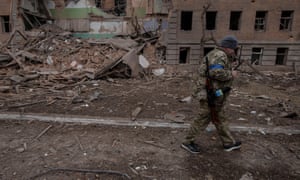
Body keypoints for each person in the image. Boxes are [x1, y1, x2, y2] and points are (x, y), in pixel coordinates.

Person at [181, 35, 241, 153]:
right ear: (228, 47)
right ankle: (187, 142)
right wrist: (231, 74)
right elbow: (215, 72)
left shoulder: (218, 54)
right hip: (210, 94)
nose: (234, 51)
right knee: (203, 118)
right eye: (233, 48)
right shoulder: (219, 55)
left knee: (219, 117)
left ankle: (228, 143)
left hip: (215, 93)